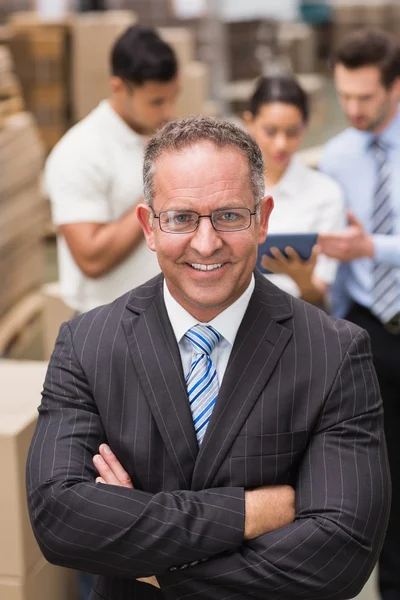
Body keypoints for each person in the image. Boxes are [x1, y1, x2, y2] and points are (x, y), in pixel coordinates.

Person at [27, 116, 390, 600]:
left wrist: (157, 565)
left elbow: (341, 550)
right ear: (148, 226)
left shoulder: (334, 352)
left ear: (263, 219)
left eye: (229, 216)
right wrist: (251, 512)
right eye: (181, 217)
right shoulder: (87, 343)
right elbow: (60, 519)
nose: (205, 242)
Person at [318, 28, 400, 600]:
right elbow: (338, 254)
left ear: (395, 86)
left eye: (366, 97)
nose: (353, 109)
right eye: (344, 95)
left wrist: (371, 246)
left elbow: (363, 243)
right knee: (386, 480)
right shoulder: (338, 153)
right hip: (372, 328)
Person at [45, 24, 180, 314]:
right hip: (108, 325)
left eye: (173, 97)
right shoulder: (80, 152)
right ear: (118, 87)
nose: (168, 112)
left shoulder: (154, 136)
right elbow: (91, 258)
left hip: (162, 317)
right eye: (156, 101)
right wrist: (159, 190)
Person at [244, 75, 345, 307]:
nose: (281, 144)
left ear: (306, 126)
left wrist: (303, 281)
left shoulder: (325, 194)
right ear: (249, 122)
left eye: (292, 132)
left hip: (297, 320)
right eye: (270, 131)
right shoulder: (228, 185)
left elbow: (321, 302)